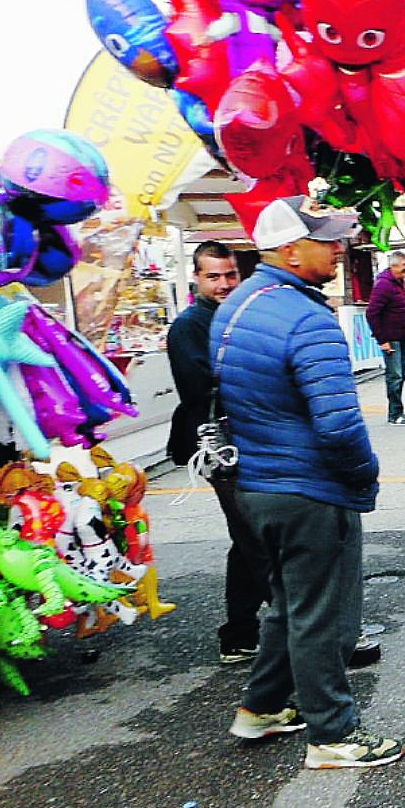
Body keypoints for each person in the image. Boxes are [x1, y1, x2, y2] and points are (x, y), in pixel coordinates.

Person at [215, 195, 401, 769]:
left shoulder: (240, 303)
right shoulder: (308, 318)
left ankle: (262, 707)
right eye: (327, 239)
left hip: (258, 483)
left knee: (290, 605)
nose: (340, 248)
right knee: (326, 616)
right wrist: (364, 477)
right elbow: (339, 425)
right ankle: (333, 735)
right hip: (309, 488)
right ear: (292, 251)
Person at [167, 240, 269, 666]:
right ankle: (304, 628)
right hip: (220, 447)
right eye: (213, 276)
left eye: (230, 275)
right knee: (257, 538)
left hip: (246, 441)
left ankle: (239, 634)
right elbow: (200, 387)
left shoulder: (237, 315)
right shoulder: (190, 326)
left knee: (247, 540)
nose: (224, 283)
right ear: (196, 278)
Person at [364, 250, 405, 427]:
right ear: (394, 265)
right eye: (404, 265)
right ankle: (395, 414)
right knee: (395, 376)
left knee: (400, 375)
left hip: (401, 337)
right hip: (391, 338)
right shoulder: (384, 285)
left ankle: (398, 411)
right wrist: (382, 340)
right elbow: (372, 313)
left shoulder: (398, 284)